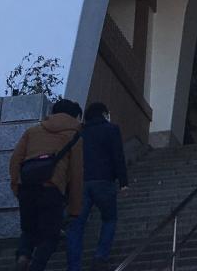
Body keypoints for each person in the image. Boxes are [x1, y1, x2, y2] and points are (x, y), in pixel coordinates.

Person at [10, 99, 84, 271]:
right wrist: (74, 209)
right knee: (50, 236)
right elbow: (76, 173)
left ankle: (23, 256)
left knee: (28, 230)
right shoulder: (74, 136)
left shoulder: (33, 131)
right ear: (75, 116)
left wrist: (17, 186)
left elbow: (15, 160)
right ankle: (37, 266)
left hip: (27, 187)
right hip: (52, 189)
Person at [66, 102, 127, 271]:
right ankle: (100, 256)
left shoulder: (79, 133)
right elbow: (118, 156)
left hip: (81, 183)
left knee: (76, 225)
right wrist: (123, 182)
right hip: (104, 181)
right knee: (109, 219)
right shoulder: (111, 129)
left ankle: (74, 266)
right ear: (104, 114)